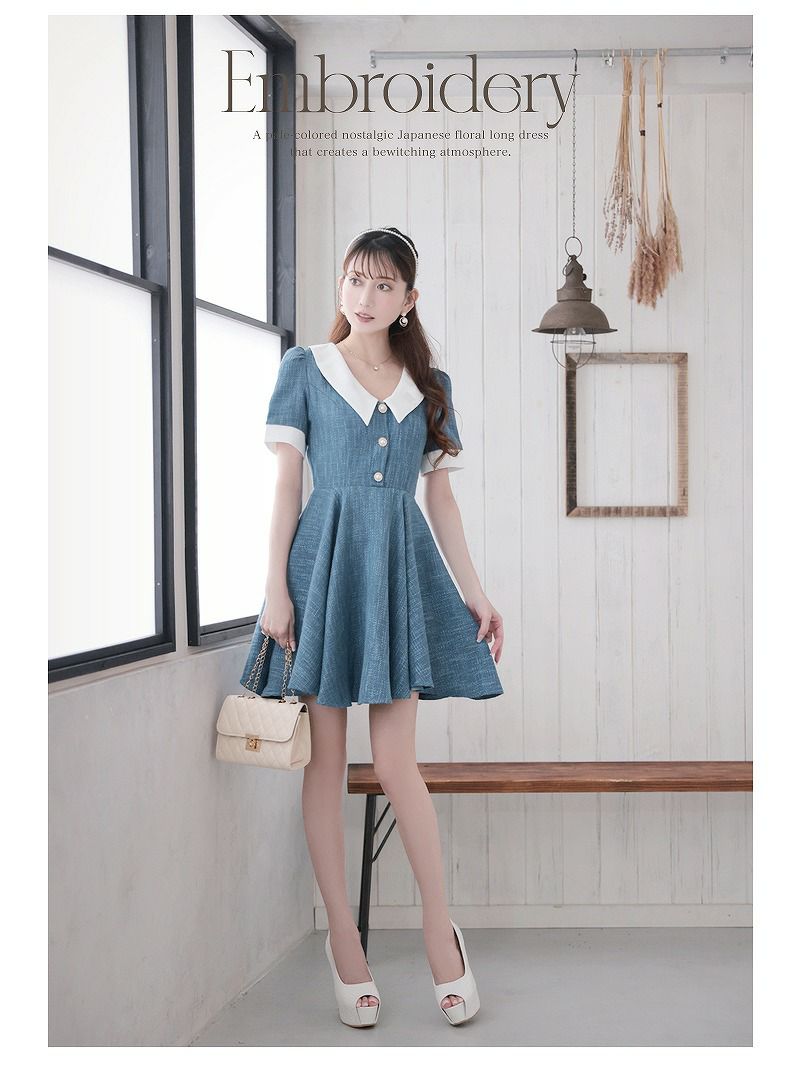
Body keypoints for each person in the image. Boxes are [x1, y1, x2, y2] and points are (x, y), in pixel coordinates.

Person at [238, 226, 504, 1027]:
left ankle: (439, 933)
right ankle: (345, 942)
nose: (366, 295)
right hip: (322, 572)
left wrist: (477, 594)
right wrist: (276, 588)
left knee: (395, 763)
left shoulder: (431, 385)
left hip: (397, 572)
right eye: (356, 279)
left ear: (408, 299)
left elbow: (441, 501)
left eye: (384, 285)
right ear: (341, 285)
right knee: (327, 762)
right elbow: (287, 488)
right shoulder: (305, 369)